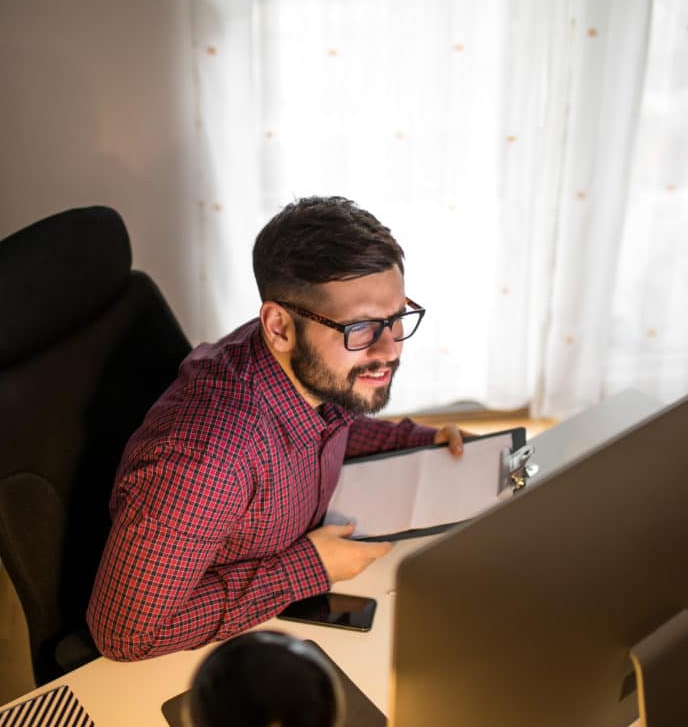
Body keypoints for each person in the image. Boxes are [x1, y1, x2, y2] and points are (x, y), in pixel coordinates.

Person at [86, 196, 467, 661]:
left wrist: (416, 442)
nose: (389, 350)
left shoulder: (305, 361)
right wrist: (309, 568)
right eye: (363, 326)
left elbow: (332, 426)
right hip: (215, 659)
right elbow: (125, 635)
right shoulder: (209, 461)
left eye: (396, 318)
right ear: (278, 326)